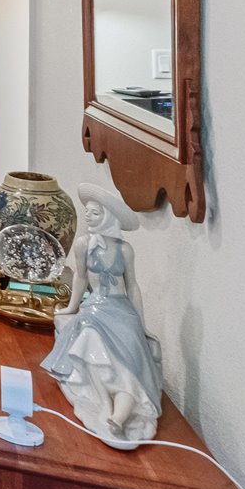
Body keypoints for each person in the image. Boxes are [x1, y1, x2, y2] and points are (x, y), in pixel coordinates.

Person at [42, 184, 164, 449]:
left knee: (130, 356)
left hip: (122, 311)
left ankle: (118, 416)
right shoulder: (84, 245)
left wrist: (141, 325)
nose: (88, 216)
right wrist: (71, 308)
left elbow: (132, 286)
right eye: (87, 212)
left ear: (109, 216)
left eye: (95, 213)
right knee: (89, 339)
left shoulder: (125, 250)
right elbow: (81, 279)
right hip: (95, 308)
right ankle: (104, 406)